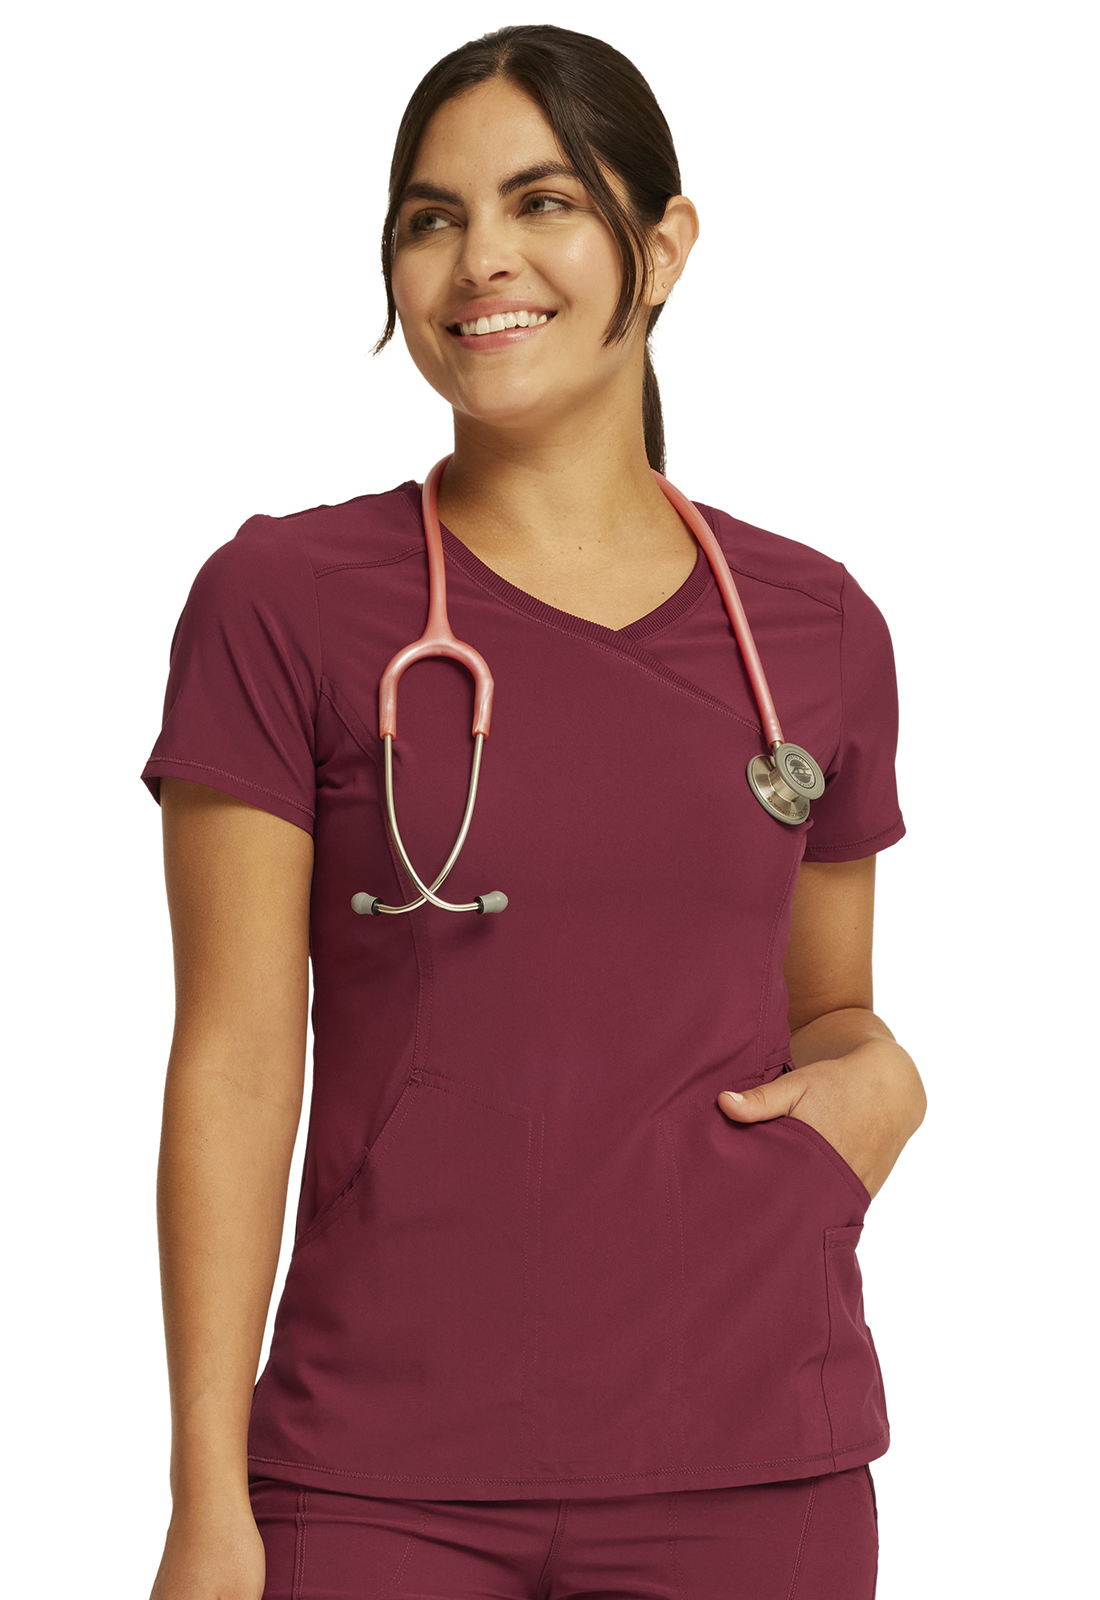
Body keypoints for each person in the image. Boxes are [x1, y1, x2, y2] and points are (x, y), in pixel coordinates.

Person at [143, 23, 926, 1600]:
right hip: (375, 1479)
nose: (480, 258)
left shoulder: (813, 628)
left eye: (543, 201)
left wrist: (878, 1090)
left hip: (753, 1465)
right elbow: (234, 1059)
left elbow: (829, 1008)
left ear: (666, 245)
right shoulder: (285, 602)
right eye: (432, 218)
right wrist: (208, 1502)